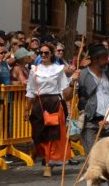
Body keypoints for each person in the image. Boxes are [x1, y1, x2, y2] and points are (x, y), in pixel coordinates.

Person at [25, 43, 74, 177]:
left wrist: (72, 83)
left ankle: (48, 165)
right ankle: (36, 149)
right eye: (41, 53)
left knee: (52, 135)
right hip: (39, 104)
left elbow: (65, 92)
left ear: (51, 54)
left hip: (54, 102)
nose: (44, 55)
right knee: (38, 135)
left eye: (46, 53)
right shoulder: (34, 70)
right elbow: (30, 90)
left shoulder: (58, 70)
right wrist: (26, 109)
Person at [77, 43, 109, 154]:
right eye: (104, 58)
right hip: (90, 122)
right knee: (92, 158)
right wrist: (72, 83)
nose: (107, 60)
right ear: (95, 59)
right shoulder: (81, 75)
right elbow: (67, 95)